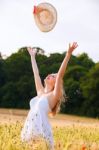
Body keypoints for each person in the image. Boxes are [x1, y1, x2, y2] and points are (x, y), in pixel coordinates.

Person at [20, 42, 78, 149]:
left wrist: (68, 54)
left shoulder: (54, 95)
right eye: (50, 74)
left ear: (55, 83)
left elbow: (60, 74)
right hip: (30, 128)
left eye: (52, 76)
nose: (49, 75)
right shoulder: (40, 92)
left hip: (42, 131)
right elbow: (36, 74)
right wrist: (32, 56)